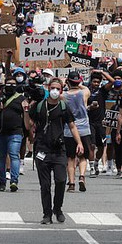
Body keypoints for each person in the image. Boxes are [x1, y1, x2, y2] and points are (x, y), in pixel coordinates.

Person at [25, 77, 83, 224]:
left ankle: (58, 208)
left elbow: (72, 126)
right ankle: (47, 214)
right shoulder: (39, 106)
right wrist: (26, 112)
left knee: (61, 180)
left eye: (58, 88)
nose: (55, 91)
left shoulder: (64, 107)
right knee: (45, 185)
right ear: (48, 88)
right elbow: (28, 125)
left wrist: (79, 143)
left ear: (61, 90)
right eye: (52, 88)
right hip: (42, 149)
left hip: (59, 150)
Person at [0, 78, 27, 193]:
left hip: (15, 132)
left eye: (13, 84)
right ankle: (2, 182)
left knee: (13, 155)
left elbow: (26, 115)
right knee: (0, 157)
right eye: (8, 84)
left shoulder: (21, 99)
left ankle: (14, 181)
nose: (11, 86)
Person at [65, 71, 92, 192]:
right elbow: (85, 87)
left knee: (70, 158)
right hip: (84, 128)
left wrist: (66, 82)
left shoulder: (64, 96)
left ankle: (71, 183)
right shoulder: (84, 93)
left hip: (69, 128)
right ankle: (82, 176)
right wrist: (79, 84)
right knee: (83, 157)